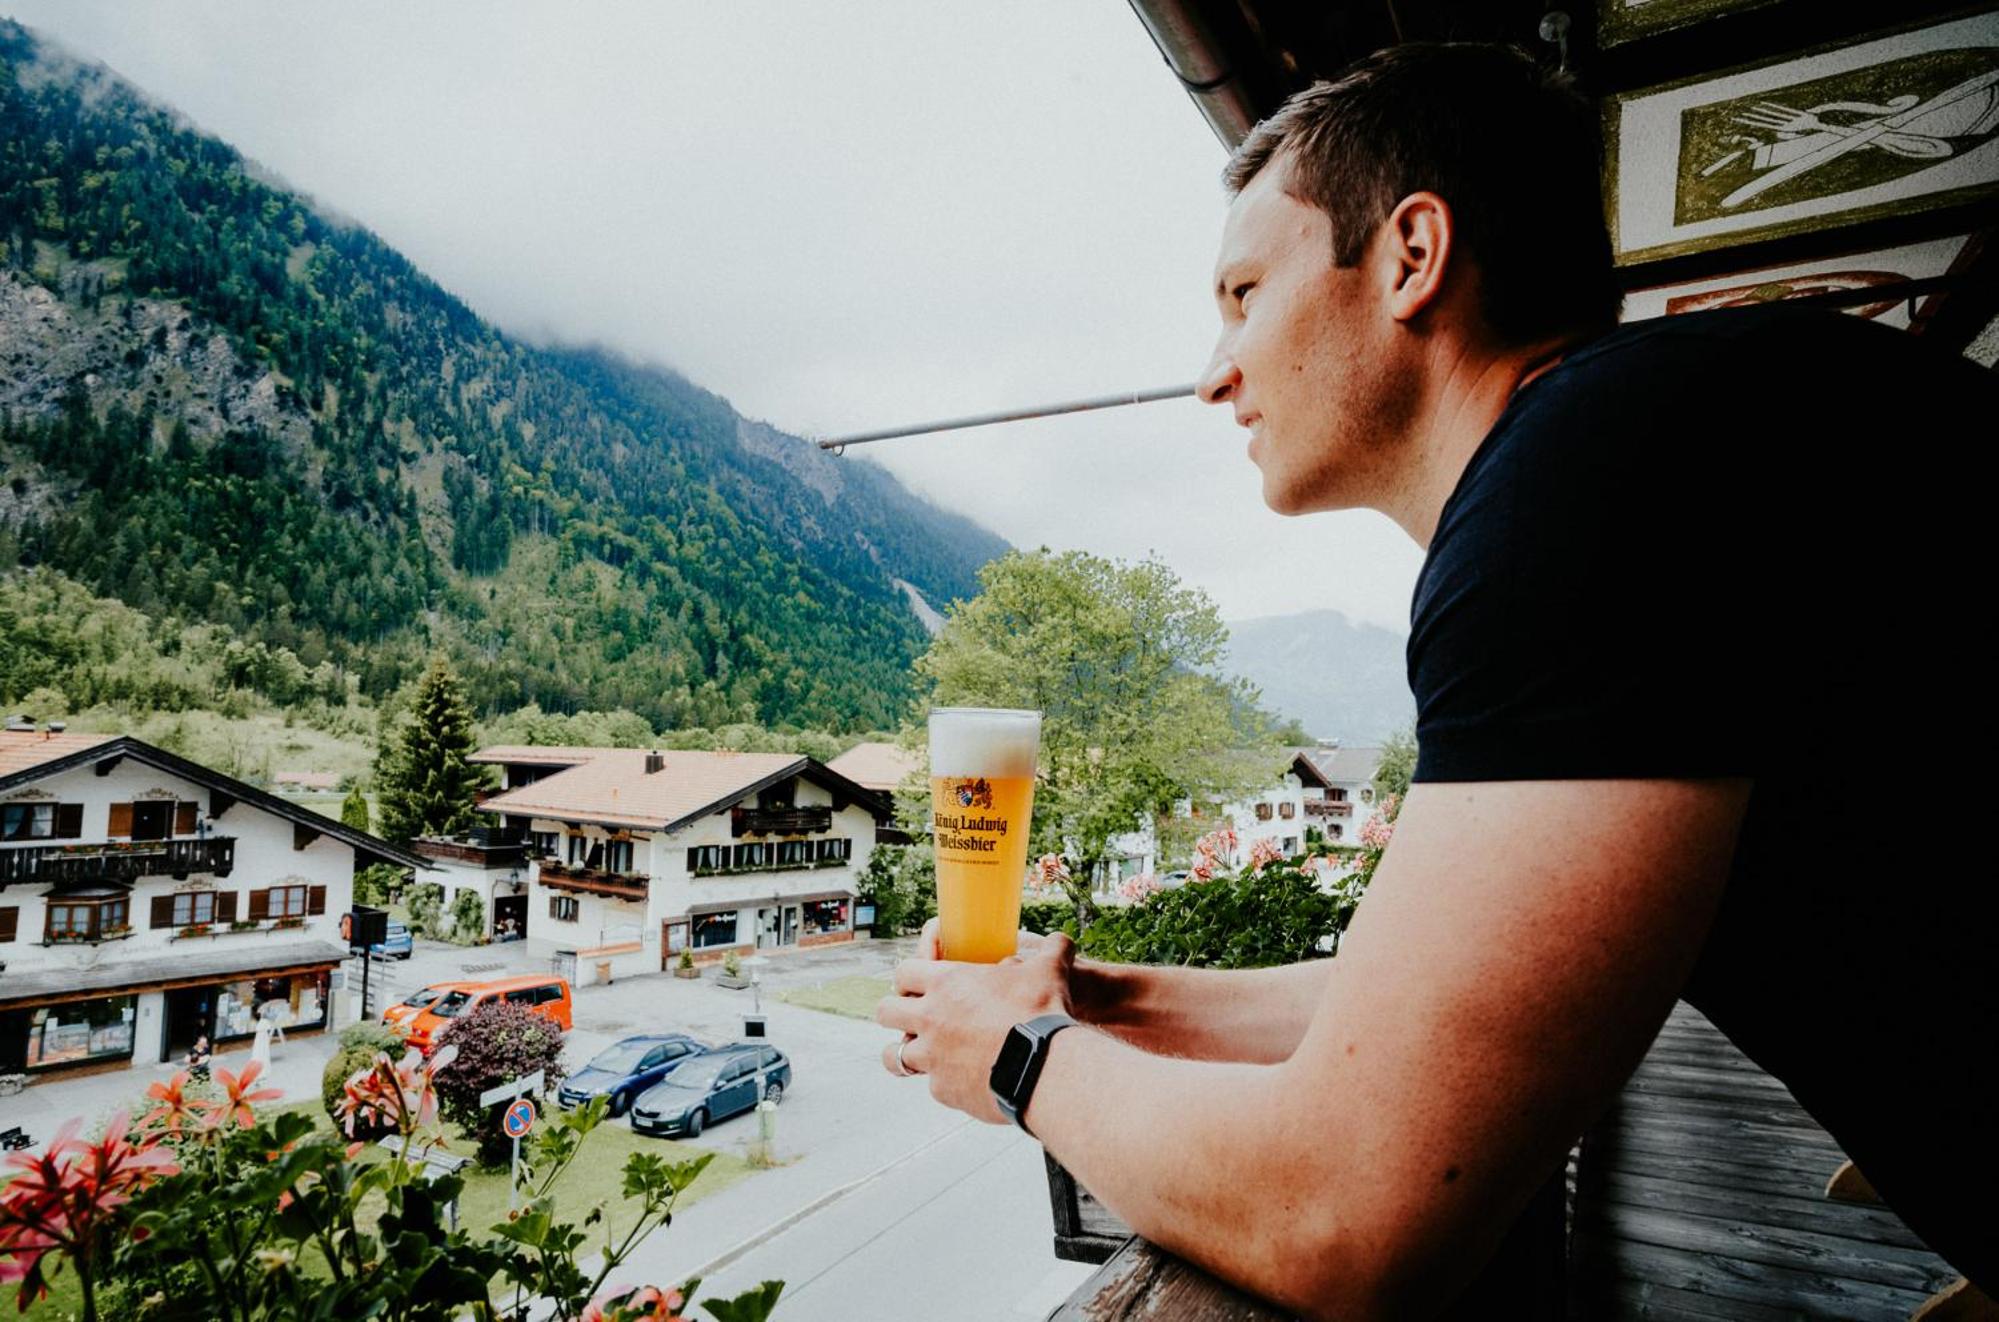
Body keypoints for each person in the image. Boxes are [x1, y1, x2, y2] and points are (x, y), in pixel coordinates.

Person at [875, 41, 1996, 1320]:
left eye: (1244, 293)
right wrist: (1094, 998)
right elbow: (1434, 1000)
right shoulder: (1665, 437)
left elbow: (1346, 1216)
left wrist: (1019, 1058)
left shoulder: (1579, 491)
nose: (1214, 369)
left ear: (1411, 254)